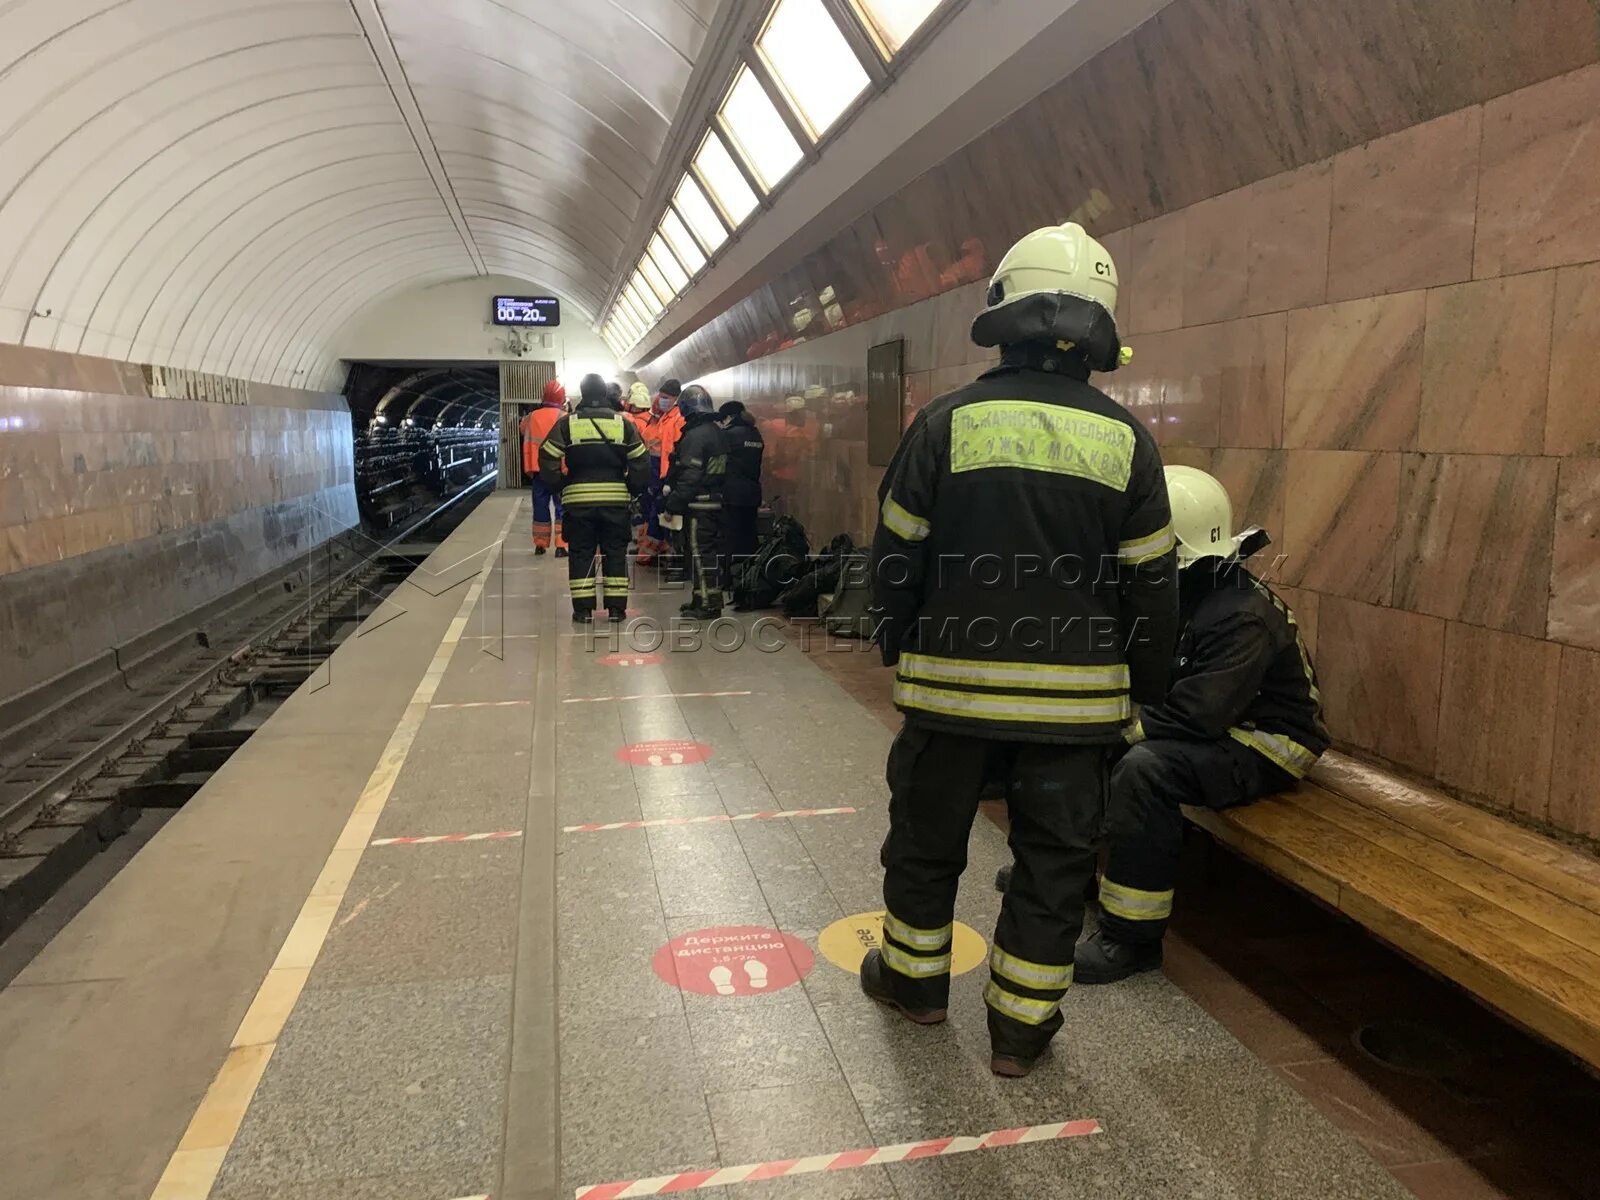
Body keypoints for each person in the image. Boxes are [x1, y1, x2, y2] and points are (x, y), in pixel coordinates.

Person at [862, 222, 1178, 1078]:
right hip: (1075, 717)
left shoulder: (942, 425)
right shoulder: (1129, 443)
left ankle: (916, 988)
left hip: (949, 700)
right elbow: (1153, 585)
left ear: (1002, 312)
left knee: (926, 846)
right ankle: (1021, 1033)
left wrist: (896, 639)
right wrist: (1142, 691)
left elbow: (897, 554)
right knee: (1052, 868)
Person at [1075, 466, 1329, 983]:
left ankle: (1131, 939)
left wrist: (1123, 732)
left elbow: (1199, 713)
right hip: (1216, 727)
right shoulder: (1190, 593)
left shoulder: (1239, 615)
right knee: (1089, 743)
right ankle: (1066, 877)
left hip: (1267, 743)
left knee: (1144, 769)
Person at [538, 374, 650, 624]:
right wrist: (632, 487)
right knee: (615, 553)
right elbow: (641, 461)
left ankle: (583, 611)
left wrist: (559, 484)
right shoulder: (624, 425)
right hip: (615, 501)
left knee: (580, 554)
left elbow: (547, 455)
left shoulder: (567, 424)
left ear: (583, 394)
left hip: (578, 501)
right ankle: (617, 610)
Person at [661, 384, 728, 620]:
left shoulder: (695, 436)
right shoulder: (716, 431)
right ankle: (702, 597)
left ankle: (708, 604)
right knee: (707, 553)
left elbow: (690, 476)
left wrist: (672, 504)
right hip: (714, 501)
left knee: (700, 554)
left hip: (699, 505)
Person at [717, 401, 764, 589]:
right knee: (749, 537)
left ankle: (728, 579)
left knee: (729, 538)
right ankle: (749, 577)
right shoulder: (756, 434)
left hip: (731, 494)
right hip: (752, 493)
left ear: (729, 417)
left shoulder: (728, 436)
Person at [519, 379, 568, 555]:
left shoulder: (531, 417)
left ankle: (540, 544)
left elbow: (522, 429)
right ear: (562, 397)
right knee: (562, 506)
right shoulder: (564, 417)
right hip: (559, 470)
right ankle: (561, 545)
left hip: (538, 470)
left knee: (540, 505)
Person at [624, 382, 663, 559]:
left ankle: (644, 548)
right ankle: (645, 547)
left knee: (644, 513)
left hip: (647, 474)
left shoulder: (633, 422)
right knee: (650, 513)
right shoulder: (652, 423)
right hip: (653, 473)